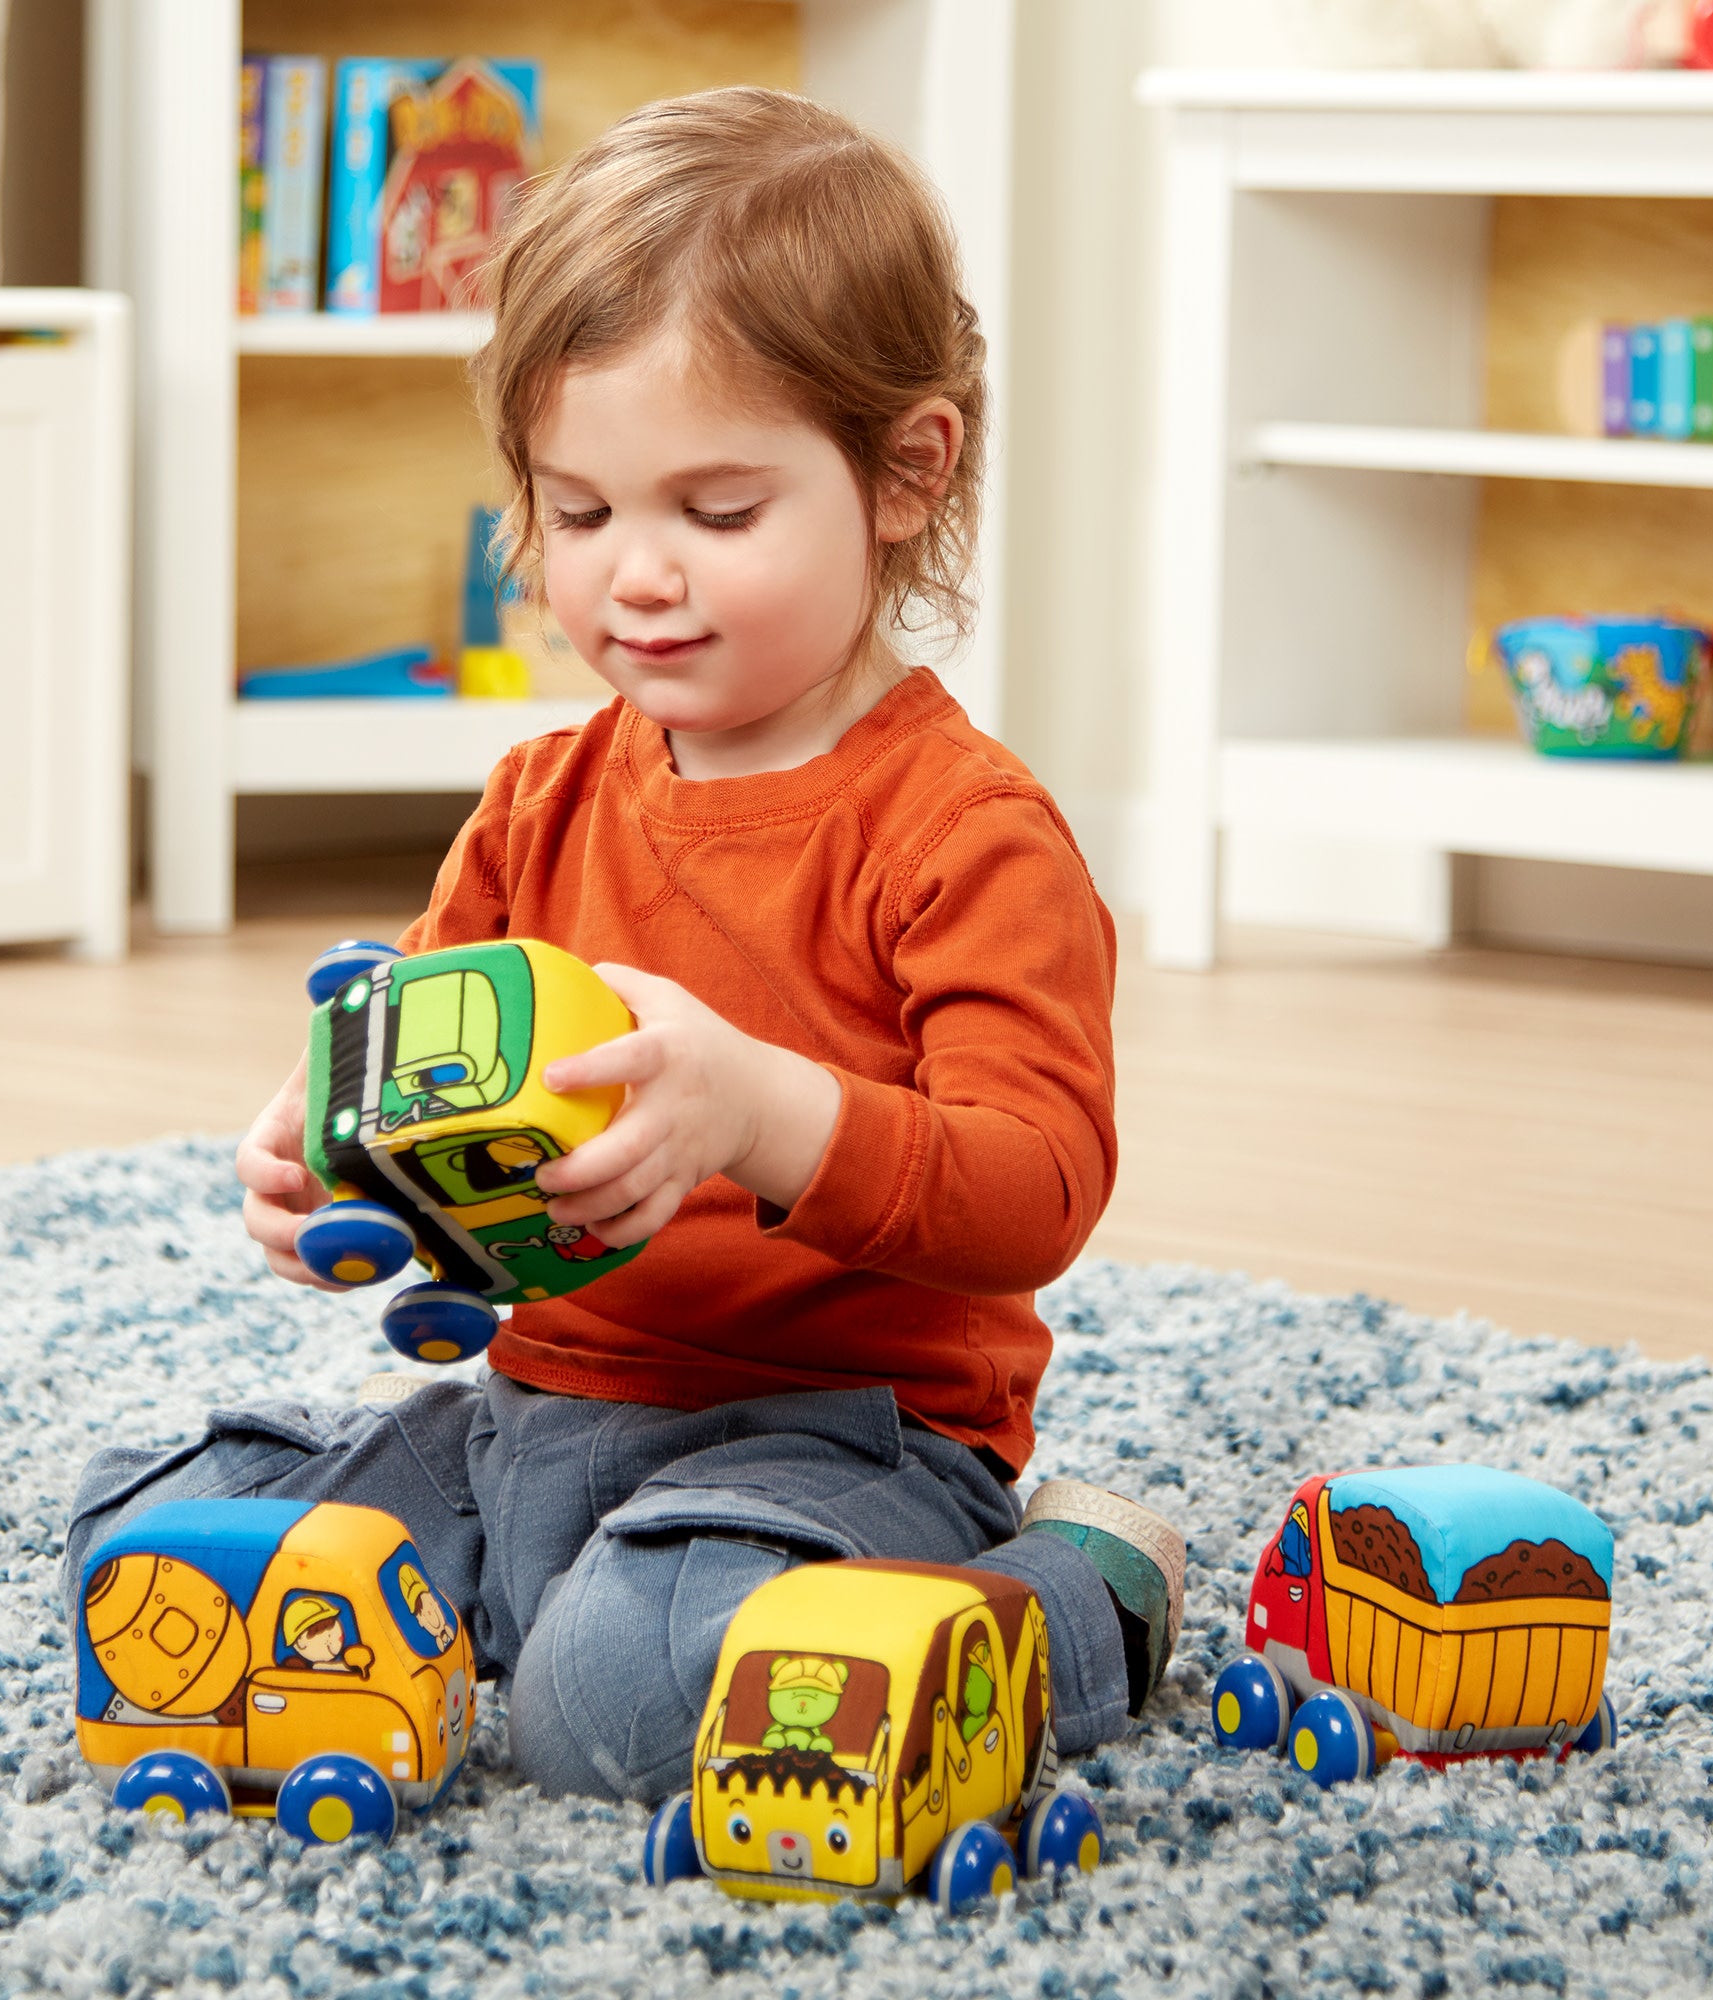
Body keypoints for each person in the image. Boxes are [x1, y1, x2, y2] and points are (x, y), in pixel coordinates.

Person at [61, 86, 1184, 1806]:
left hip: (839, 1447)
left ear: (905, 470)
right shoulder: (535, 800)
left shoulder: (966, 834)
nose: (635, 578)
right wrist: (326, 1162)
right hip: (534, 1414)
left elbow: (1037, 1187)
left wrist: (756, 1112)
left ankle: (1084, 1589)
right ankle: (538, 1596)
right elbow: (424, 1079)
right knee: (152, 1553)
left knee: (630, 1706)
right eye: (578, 514)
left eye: (716, 514)